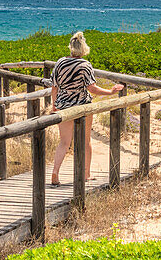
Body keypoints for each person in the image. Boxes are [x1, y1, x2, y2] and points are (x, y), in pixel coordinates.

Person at [47, 31, 123, 186]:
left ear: (70, 47)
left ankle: (55, 171)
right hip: (82, 106)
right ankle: (86, 174)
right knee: (86, 140)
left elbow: (54, 87)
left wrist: (54, 104)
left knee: (64, 142)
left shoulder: (60, 62)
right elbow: (92, 88)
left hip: (63, 106)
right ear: (83, 49)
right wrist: (110, 92)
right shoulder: (85, 65)